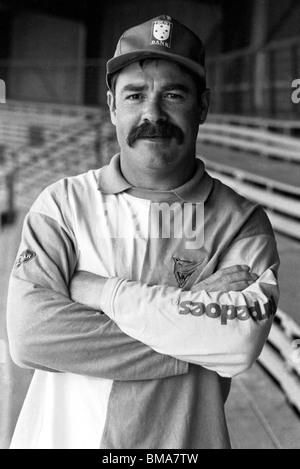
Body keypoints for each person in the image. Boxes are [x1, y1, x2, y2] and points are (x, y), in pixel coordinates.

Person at [7, 14, 280, 450]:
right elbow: (31, 337)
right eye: (135, 95)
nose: (152, 113)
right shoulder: (62, 204)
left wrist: (101, 294)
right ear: (114, 105)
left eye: (173, 94)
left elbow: (239, 340)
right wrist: (192, 328)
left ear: (202, 106)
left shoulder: (242, 221)